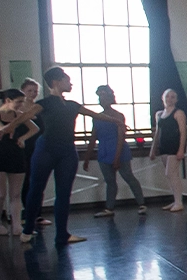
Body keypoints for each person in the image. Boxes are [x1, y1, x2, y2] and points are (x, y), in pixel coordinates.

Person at [20, 66, 125, 244]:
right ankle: (27, 230)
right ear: (56, 82)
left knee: (63, 193)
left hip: (67, 151)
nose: (71, 83)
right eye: (67, 80)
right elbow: (26, 116)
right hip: (46, 149)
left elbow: (95, 115)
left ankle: (62, 234)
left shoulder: (72, 105)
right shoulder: (44, 104)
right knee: (36, 189)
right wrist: (8, 127)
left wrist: (116, 120)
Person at [84, 85, 146, 217]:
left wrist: (117, 158)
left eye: (104, 97)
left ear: (110, 98)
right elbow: (93, 137)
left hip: (119, 151)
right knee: (110, 181)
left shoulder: (118, 116)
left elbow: (120, 137)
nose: (102, 100)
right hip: (104, 151)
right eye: (100, 97)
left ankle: (141, 203)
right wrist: (87, 157)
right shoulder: (97, 117)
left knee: (128, 177)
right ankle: (109, 208)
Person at [0, 88, 37, 236]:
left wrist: (22, 138)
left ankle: (16, 225)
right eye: (19, 102)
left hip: (16, 154)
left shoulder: (19, 115)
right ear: (7, 101)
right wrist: (15, 125)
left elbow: (35, 128)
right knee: (0, 194)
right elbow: (1, 128)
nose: (21, 105)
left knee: (15, 194)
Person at [150, 88, 187, 212]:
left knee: (171, 173)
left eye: (173, 97)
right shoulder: (159, 114)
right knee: (172, 176)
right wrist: (153, 149)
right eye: (167, 96)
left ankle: (179, 202)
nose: (170, 99)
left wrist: (181, 150)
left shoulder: (179, 113)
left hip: (174, 146)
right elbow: (157, 133)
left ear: (176, 100)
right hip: (163, 147)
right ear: (163, 98)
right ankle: (176, 200)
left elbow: (183, 133)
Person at [18, 78, 41, 226]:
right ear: (23, 92)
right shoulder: (19, 109)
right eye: (29, 91)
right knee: (26, 180)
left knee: (38, 179)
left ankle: (37, 214)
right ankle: (27, 212)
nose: (32, 94)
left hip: (39, 146)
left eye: (35, 91)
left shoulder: (39, 107)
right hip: (25, 147)